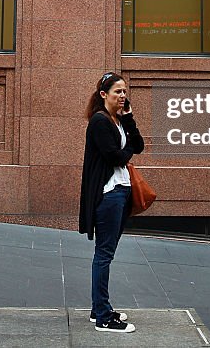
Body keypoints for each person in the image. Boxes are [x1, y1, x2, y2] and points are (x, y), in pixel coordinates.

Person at [79, 71, 144, 333]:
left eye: (125, 91)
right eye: (118, 91)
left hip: (121, 193)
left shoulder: (117, 121)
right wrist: (125, 154)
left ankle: (98, 310)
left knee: (106, 254)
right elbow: (115, 157)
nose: (123, 95)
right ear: (103, 94)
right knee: (104, 255)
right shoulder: (99, 122)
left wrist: (128, 118)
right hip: (109, 195)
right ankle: (104, 317)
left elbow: (138, 146)